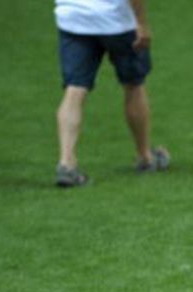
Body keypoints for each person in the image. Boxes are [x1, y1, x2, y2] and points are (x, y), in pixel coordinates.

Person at [53, 0, 169, 187]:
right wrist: (141, 23)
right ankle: (145, 157)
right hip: (118, 23)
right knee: (134, 86)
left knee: (74, 89)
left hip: (73, 18)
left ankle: (67, 164)